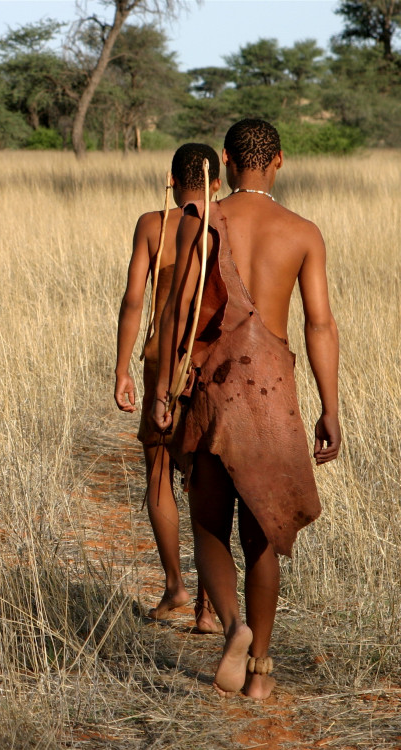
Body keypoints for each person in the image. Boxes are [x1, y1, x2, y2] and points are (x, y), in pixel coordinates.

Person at [153, 119, 340, 700]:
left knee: (210, 522)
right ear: (279, 161)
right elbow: (319, 324)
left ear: (226, 163)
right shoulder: (304, 233)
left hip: (212, 384)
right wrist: (330, 408)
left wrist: (163, 391)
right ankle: (260, 669)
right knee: (263, 533)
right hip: (274, 391)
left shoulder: (203, 222)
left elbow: (179, 315)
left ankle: (233, 626)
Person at [114, 143, 223, 634]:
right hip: (211, 364)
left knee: (159, 469)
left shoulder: (153, 224)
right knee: (207, 482)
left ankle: (176, 584)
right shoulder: (228, 223)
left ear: (171, 180)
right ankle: (206, 606)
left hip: (162, 361)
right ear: (216, 183)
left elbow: (134, 300)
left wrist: (122, 369)